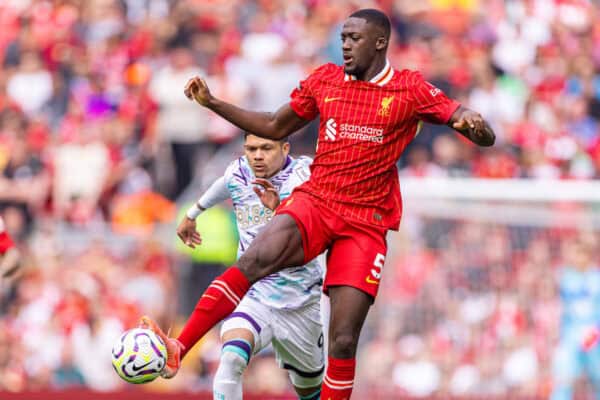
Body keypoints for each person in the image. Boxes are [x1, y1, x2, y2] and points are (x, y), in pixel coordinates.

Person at [143, 8, 495, 399]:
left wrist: (475, 127)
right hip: (318, 201)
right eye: (343, 37)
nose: (344, 45)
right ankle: (179, 347)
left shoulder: (409, 89)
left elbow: (464, 119)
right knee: (252, 261)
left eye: (354, 38)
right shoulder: (325, 80)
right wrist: (212, 103)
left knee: (342, 340)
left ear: (380, 42)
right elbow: (275, 125)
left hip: (366, 222)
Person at [168, 133, 324, 400]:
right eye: (251, 149)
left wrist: (282, 208)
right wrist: (193, 213)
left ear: (285, 148)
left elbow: (317, 226)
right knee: (230, 358)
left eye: (266, 148)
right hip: (255, 294)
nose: (257, 156)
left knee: (310, 391)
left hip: (302, 302)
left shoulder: (305, 175)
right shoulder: (239, 172)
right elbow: (223, 184)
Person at [551, 233, 600, 400]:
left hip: (594, 333)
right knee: (564, 378)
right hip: (571, 333)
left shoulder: (596, 278)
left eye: (580, 253)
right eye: (574, 253)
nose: (576, 257)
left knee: (597, 377)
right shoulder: (565, 277)